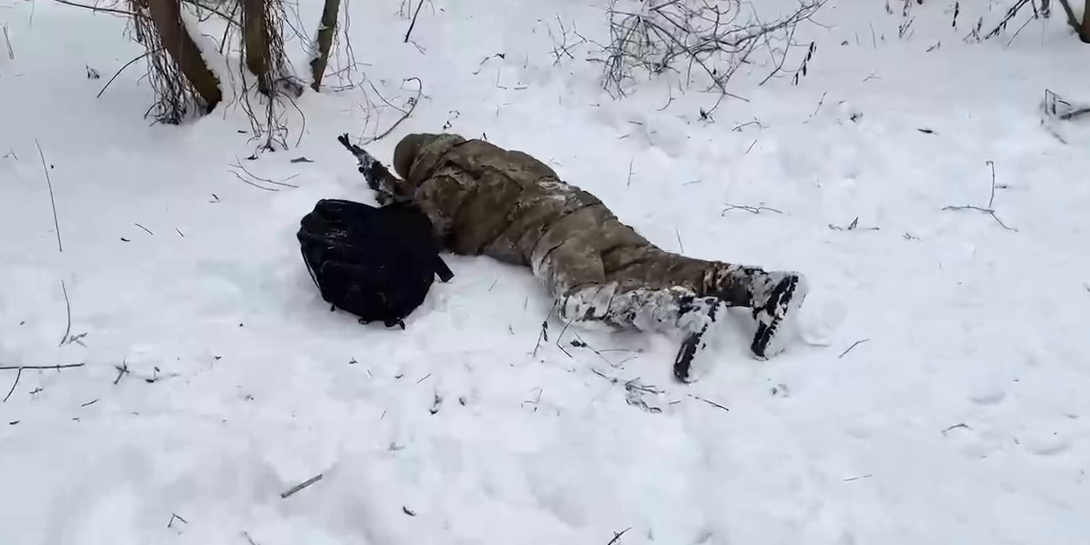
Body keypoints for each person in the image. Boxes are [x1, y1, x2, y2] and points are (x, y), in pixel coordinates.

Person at [342, 132, 808, 382]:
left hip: (549, 231)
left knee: (577, 297)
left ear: (418, 164)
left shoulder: (442, 182)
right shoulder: (493, 152)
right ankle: (761, 287)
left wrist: (395, 196)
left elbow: (427, 228)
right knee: (659, 264)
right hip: (585, 208)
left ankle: (684, 313)